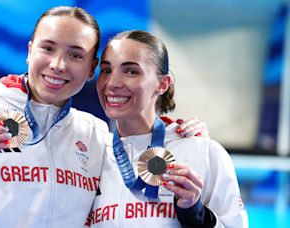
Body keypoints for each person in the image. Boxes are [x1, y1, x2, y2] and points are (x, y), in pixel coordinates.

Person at [0, 6, 207, 228]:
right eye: (48, 48)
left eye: (75, 55)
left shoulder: (96, 135)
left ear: (90, 69)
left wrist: (178, 134)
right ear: (30, 51)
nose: (58, 64)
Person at [86, 30, 248, 227]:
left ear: (162, 84)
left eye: (131, 71)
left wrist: (196, 214)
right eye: (106, 70)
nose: (112, 83)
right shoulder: (92, 156)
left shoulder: (203, 152)